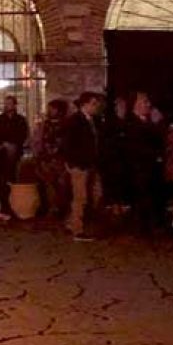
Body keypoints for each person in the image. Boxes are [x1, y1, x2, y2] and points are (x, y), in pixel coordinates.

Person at [62, 92, 103, 241]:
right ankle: (77, 229)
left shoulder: (94, 120)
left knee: (96, 193)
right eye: (93, 103)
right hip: (79, 165)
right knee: (80, 197)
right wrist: (72, 162)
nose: (96, 107)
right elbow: (67, 144)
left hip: (91, 163)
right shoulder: (74, 121)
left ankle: (72, 221)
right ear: (84, 104)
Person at [124, 93, 166, 237]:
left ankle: (148, 226)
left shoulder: (147, 122)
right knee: (142, 198)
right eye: (145, 101)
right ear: (135, 105)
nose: (148, 104)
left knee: (150, 196)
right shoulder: (131, 124)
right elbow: (136, 147)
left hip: (149, 167)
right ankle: (142, 228)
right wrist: (156, 155)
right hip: (139, 168)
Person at [34, 99, 69, 217]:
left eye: (52, 109)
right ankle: (50, 207)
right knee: (48, 184)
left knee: (61, 185)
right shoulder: (46, 123)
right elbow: (41, 139)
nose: (49, 111)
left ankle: (61, 208)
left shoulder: (65, 124)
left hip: (59, 159)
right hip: (46, 159)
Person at [101, 96, 131, 210]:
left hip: (124, 161)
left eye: (124, 106)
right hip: (113, 161)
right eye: (121, 106)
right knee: (114, 186)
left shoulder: (127, 122)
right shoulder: (111, 124)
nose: (124, 108)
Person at [0, 96, 29, 189]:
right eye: (6, 103)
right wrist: (4, 144)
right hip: (2, 154)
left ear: (14, 105)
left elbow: (23, 135)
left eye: (9, 103)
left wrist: (13, 144)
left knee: (15, 176)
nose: (7, 106)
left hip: (16, 151)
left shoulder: (20, 120)